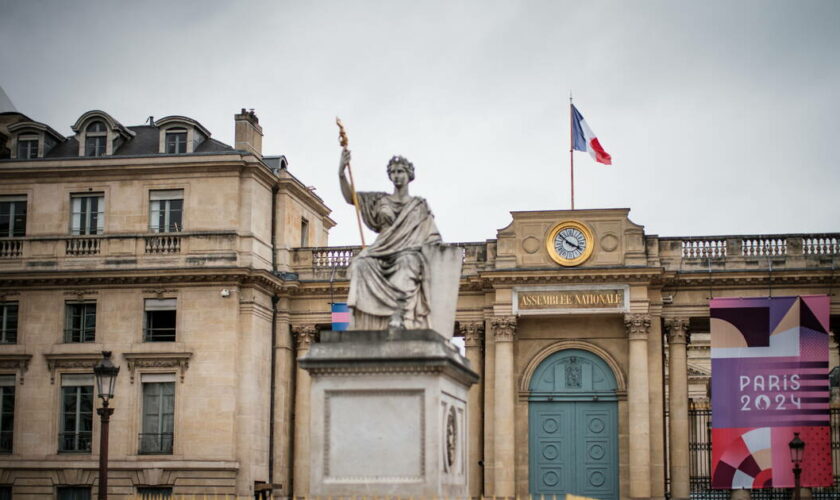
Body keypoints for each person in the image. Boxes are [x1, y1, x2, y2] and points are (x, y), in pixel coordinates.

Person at [338, 150, 441, 330]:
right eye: (393, 172)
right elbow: (350, 198)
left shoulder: (419, 205)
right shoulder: (380, 199)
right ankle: (358, 320)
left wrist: (436, 251)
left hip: (408, 252)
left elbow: (432, 236)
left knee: (407, 262)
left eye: (400, 171)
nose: (396, 176)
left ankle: (399, 315)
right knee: (361, 263)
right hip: (382, 249)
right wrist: (341, 172)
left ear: (409, 175)